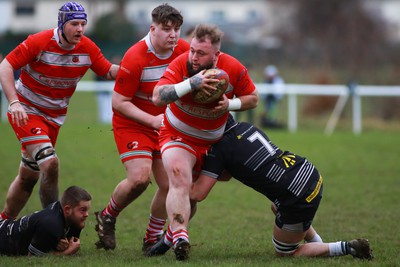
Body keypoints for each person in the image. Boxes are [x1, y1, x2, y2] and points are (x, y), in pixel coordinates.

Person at [187, 114, 371, 260]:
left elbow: (198, 194)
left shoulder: (220, 149)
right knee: (276, 207)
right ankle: (319, 244)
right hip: (307, 172)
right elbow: (228, 174)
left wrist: (177, 182)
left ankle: (348, 247)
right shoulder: (245, 127)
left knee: (286, 253)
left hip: (297, 194)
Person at [0, 2, 119, 221]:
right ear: (62, 24)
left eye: (83, 24)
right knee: (50, 162)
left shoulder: (87, 48)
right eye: (74, 24)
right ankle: (53, 224)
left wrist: (136, 68)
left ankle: (4, 221)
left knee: (28, 175)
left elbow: (109, 71)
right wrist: (14, 102)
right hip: (26, 111)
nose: (80, 29)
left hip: (54, 119)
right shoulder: (39, 41)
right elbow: (6, 65)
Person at [150, 23, 259, 260]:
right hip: (177, 135)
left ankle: (169, 236)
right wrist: (192, 83)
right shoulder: (182, 64)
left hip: (212, 144)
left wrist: (231, 104)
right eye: (192, 50)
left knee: (193, 196)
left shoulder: (233, 68)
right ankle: (180, 237)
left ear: (216, 55)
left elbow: (253, 98)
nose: (193, 57)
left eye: (201, 53)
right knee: (179, 176)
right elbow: (157, 96)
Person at [93, 3, 190, 252]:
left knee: (169, 185)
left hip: (164, 124)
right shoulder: (135, 56)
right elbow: (119, 102)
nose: (173, 35)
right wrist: (152, 121)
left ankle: (151, 237)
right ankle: (108, 215)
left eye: (177, 29)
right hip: (133, 122)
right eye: (166, 29)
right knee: (139, 179)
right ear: (152, 28)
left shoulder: (183, 50)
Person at [0, 185, 91, 256]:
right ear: (67, 210)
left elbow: (65, 243)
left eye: (87, 210)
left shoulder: (74, 220)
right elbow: (33, 258)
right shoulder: (51, 224)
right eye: (83, 210)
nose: (87, 214)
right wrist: (68, 251)